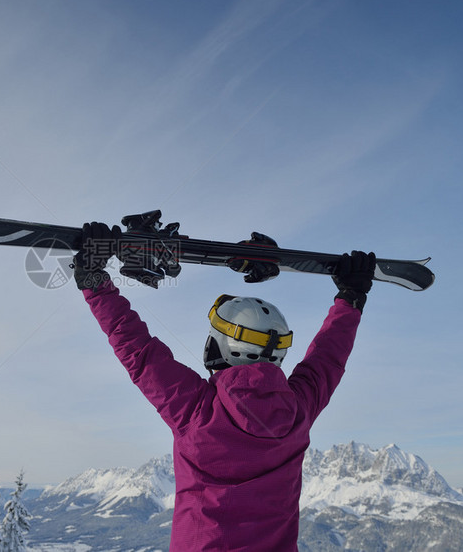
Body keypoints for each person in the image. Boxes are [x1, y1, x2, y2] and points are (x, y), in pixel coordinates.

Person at [72, 222, 376, 552]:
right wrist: (351, 298)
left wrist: (94, 281)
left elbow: (138, 350)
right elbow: (328, 359)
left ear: (220, 346)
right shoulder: (297, 411)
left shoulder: (196, 411)